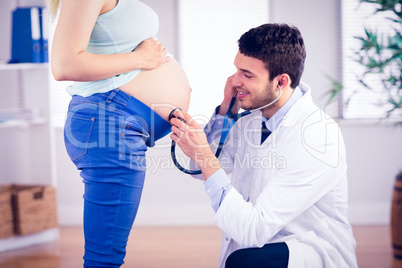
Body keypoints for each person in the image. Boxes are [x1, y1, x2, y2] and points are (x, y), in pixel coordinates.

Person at [170, 23, 358, 268]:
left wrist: (204, 154)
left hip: (309, 249)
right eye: (237, 69)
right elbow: (199, 169)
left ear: (281, 81)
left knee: (244, 262)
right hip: (259, 241)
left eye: (247, 75)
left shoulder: (317, 136)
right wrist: (226, 111)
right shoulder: (251, 118)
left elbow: (253, 228)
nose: (234, 80)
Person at [49, 0, 191, 267]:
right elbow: (64, 64)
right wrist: (140, 58)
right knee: (104, 257)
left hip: (117, 122)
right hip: (108, 122)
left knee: (106, 254)